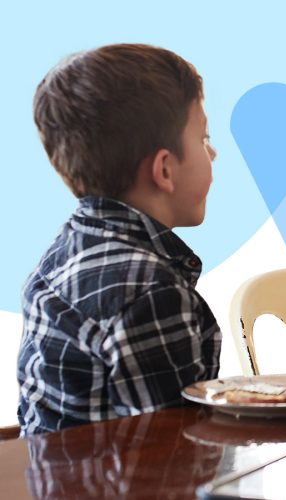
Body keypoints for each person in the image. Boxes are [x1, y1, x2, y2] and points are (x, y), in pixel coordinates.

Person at [17, 44, 222, 435]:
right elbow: (173, 456)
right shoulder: (149, 292)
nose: (213, 153)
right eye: (203, 137)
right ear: (164, 169)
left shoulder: (64, 253)